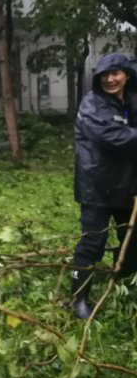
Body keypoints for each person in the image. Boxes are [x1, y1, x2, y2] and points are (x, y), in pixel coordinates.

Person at [70, 53, 137, 319]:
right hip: (97, 186)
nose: (110, 79)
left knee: (131, 240)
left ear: (127, 75)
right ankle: (78, 300)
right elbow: (113, 137)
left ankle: (125, 288)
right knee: (92, 243)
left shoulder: (130, 102)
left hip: (126, 186)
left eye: (116, 73)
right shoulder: (92, 105)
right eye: (104, 76)